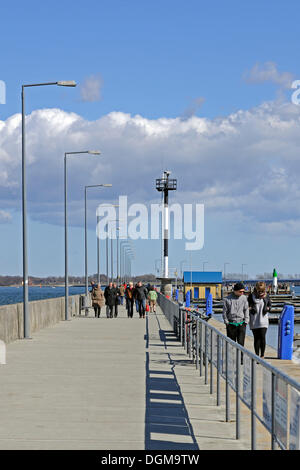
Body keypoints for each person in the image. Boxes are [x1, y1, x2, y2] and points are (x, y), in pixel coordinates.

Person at [222, 282, 249, 357]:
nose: (242, 293)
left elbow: (246, 309)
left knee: (241, 343)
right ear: (235, 290)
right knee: (231, 344)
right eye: (240, 291)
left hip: (241, 323)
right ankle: (231, 359)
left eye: (243, 291)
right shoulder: (227, 299)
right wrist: (226, 322)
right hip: (231, 324)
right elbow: (224, 312)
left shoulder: (244, 298)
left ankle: (240, 359)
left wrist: (246, 321)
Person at [248, 281, 271, 359]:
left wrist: (268, 308)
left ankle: (262, 355)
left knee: (262, 337)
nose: (261, 292)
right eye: (259, 291)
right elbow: (247, 306)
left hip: (263, 320)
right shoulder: (251, 296)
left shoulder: (266, 296)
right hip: (254, 319)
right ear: (256, 289)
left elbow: (269, 305)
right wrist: (249, 308)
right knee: (256, 338)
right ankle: (257, 355)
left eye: (262, 291)